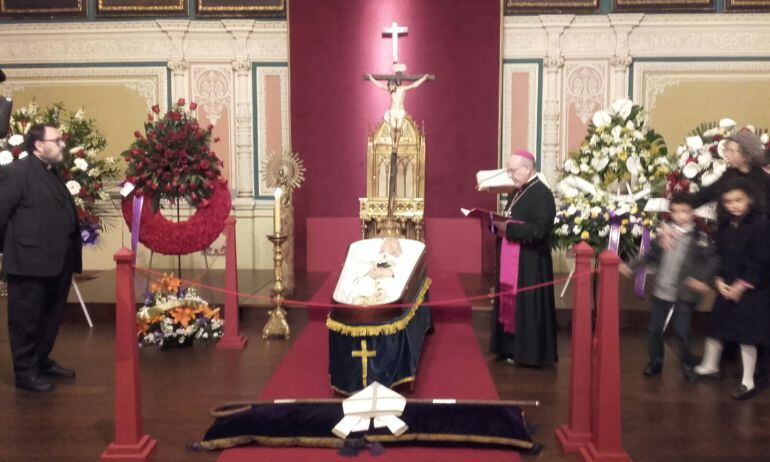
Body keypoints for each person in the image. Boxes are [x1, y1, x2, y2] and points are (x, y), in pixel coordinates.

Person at [0, 124, 82, 392]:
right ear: (38, 145)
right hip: (29, 264)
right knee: (26, 319)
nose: (62, 145)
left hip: (56, 261)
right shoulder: (17, 173)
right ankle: (25, 372)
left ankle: (40, 360)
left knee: (49, 317)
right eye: (56, 140)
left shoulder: (51, 172)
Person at [620, 193, 717, 381]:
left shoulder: (700, 237)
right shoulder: (664, 233)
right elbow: (649, 256)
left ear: (692, 213)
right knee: (655, 330)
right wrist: (630, 266)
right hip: (661, 291)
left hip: (684, 293)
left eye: (685, 211)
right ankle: (655, 362)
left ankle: (687, 364)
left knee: (682, 332)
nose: (680, 215)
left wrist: (703, 280)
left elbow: (710, 261)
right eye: (675, 211)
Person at [693, 178, 770, 400]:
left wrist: (742, 284)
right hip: (726, 284)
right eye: (728, 201)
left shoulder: (760, 224)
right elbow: (719, 254)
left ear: (750, 199)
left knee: (747, 335)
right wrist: (717, 280)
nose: (734, 205)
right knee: (716, 325)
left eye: (739, 200)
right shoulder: (725, 225)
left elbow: (761, 259)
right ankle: (709, 365)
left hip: (753, 289)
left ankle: (748, 380)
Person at [491, 150, 557, 367]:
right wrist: (495, 223)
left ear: (527, 168)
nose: (510, 175)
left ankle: (529, 354)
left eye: (512, 170)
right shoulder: (517, 192)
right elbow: (510, 219)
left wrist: (507, 228)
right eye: (508, 170)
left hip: (530, 264)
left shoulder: (542, 194)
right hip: (514, 260)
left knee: (527, 307)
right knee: (511, 305)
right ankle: (509, 348)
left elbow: (539, 231)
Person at [366, 73, 431, 149]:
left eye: (391, 87)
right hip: (393, 111)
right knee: (394, 127)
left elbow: (413, 85)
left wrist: (423, 78)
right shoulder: (390, 90)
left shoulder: (402, 89)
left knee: (398, 127)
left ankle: (396, 142)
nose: (390, 89)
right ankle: (394, 142)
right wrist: (371, 78)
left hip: (400, 111)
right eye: (389, 87)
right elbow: (380, 85)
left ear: (394, 84)